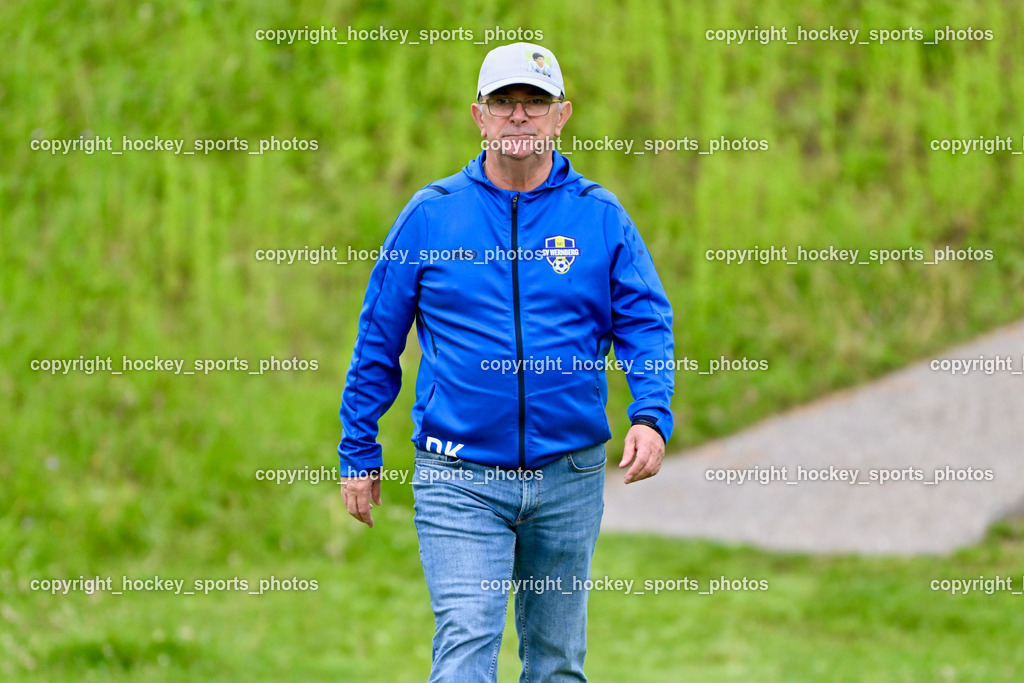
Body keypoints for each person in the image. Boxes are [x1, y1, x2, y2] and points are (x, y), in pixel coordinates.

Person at [337, 41, 674, 682]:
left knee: (557, 663)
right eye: (504, 103)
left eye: (535, 103)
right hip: (458, 474)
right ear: (479, 116)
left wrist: (650, 414)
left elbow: (645, 323)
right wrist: (360, 448)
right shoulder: (432, 216)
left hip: (569, 476)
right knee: (466, 645)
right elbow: (378, 338)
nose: (519, 116)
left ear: (561, 115)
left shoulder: (599, 217)